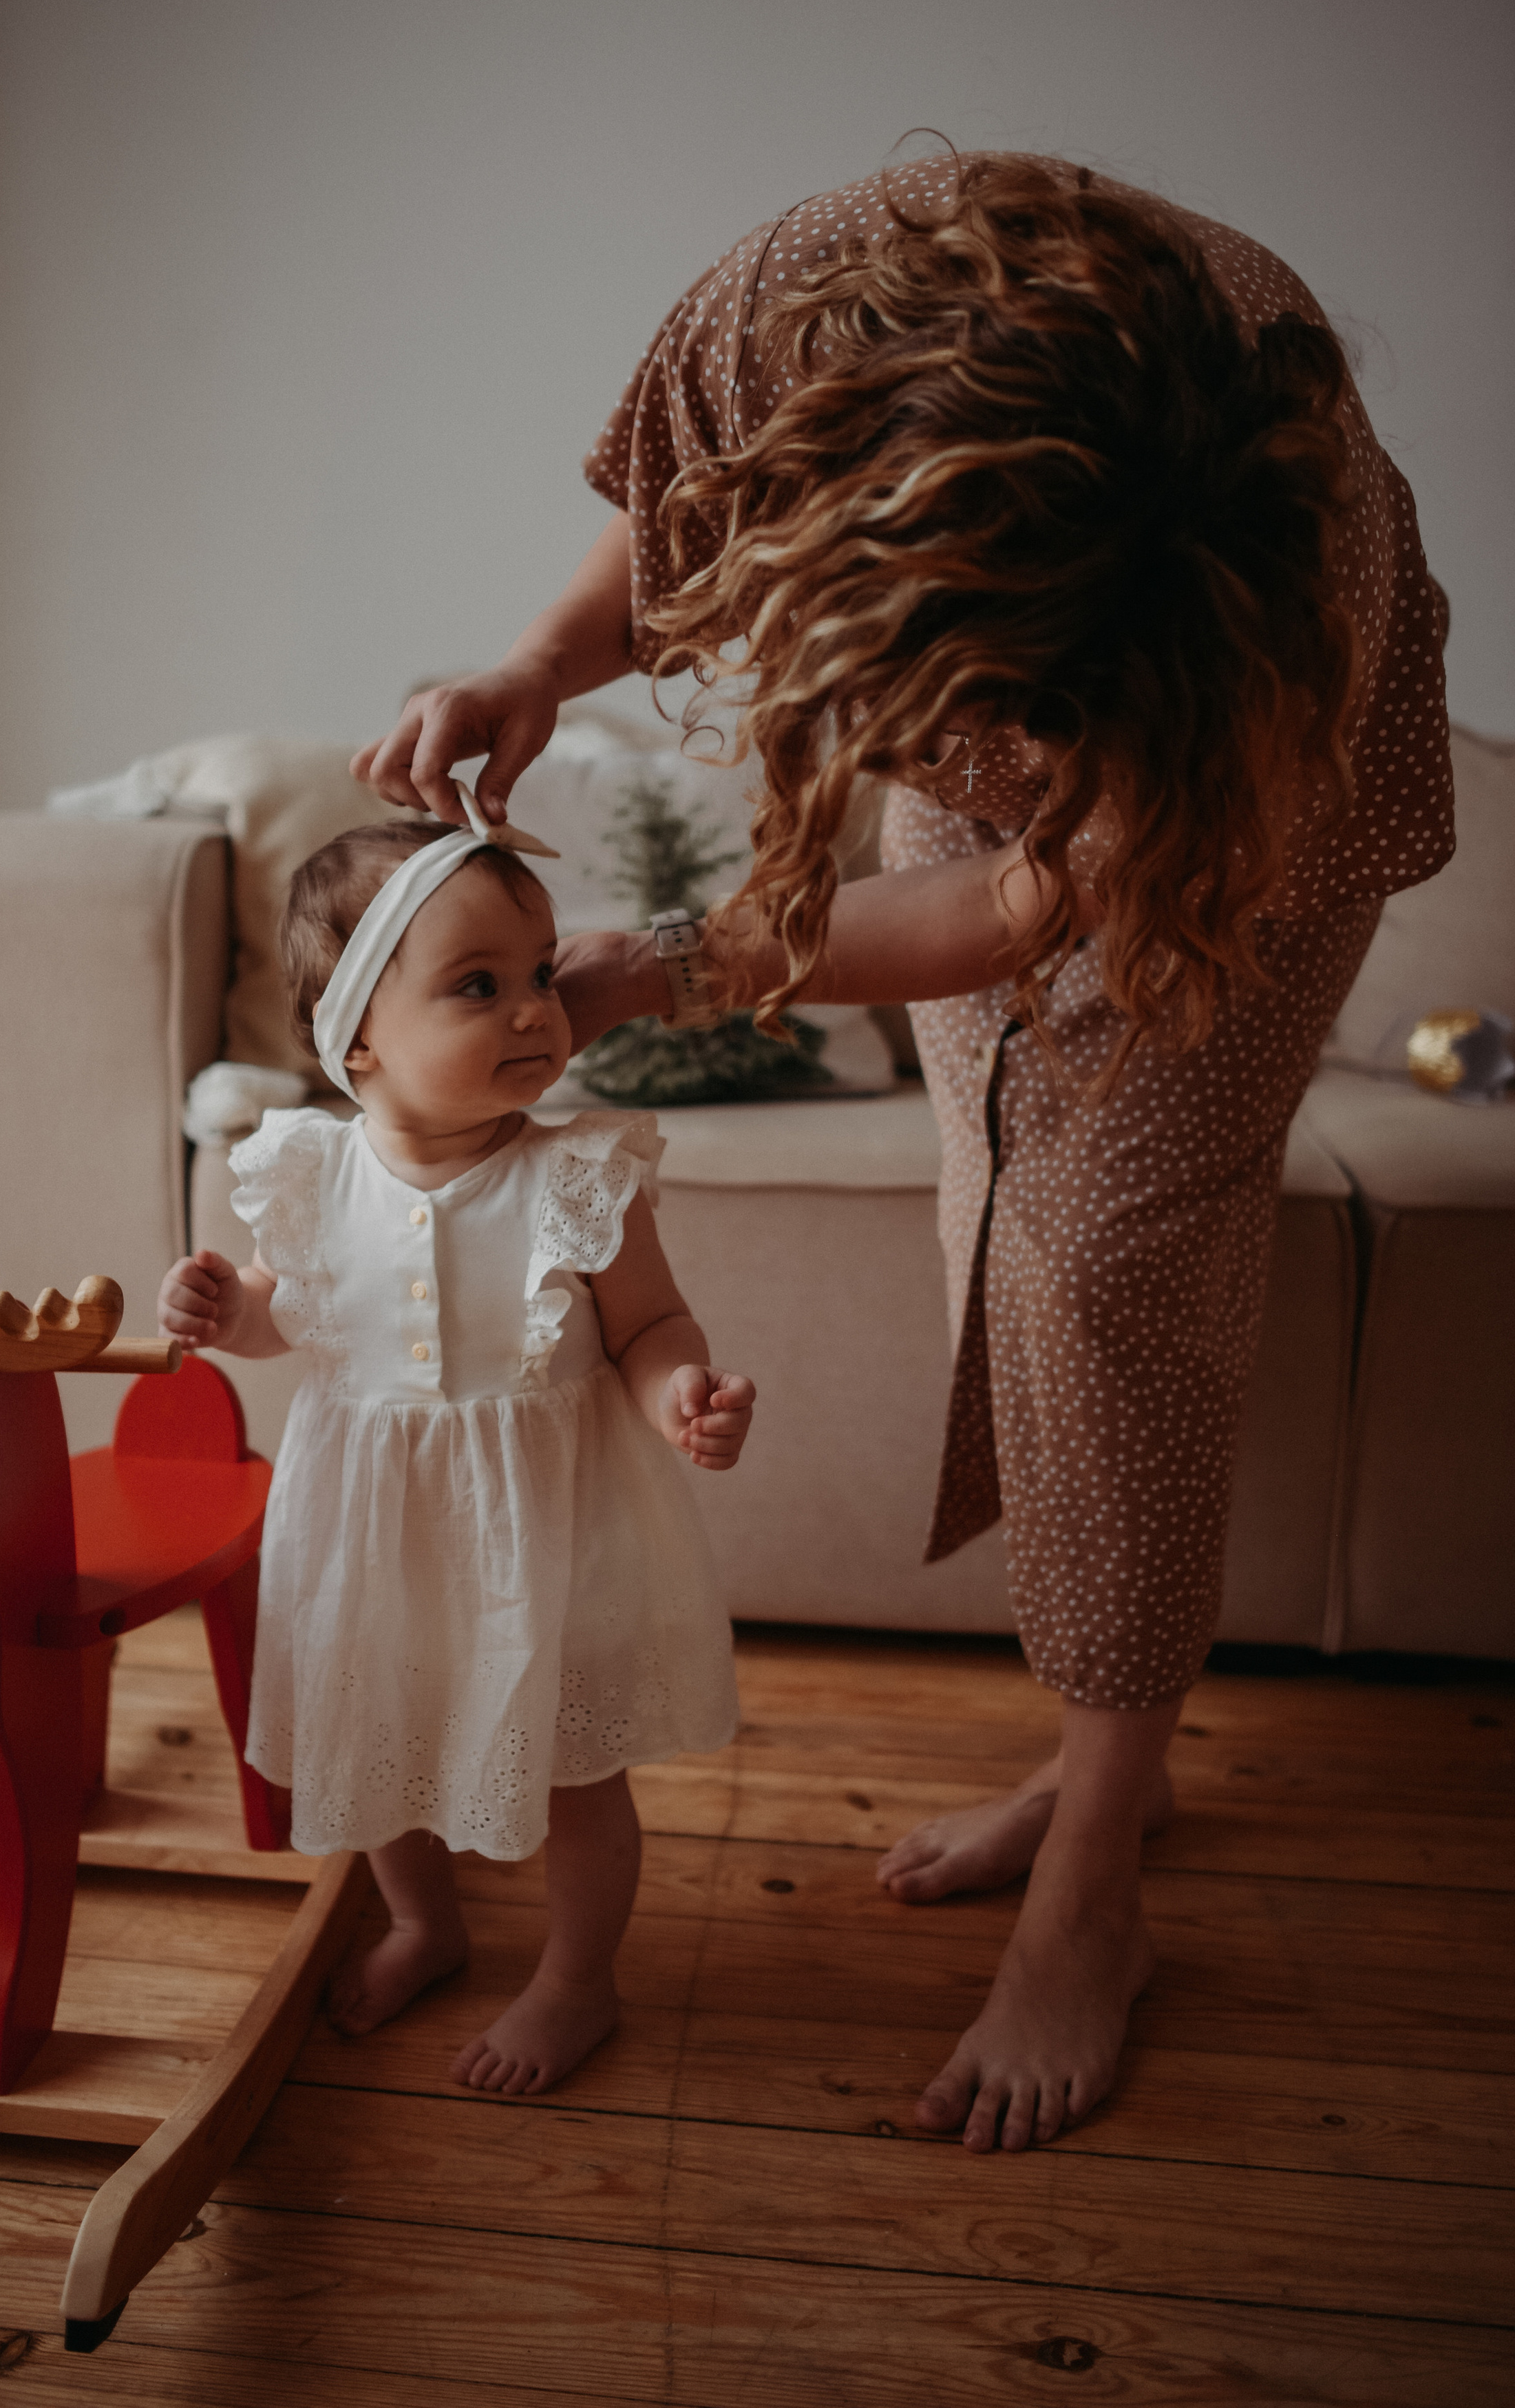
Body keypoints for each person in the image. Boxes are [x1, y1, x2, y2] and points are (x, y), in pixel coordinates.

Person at [351, 151, 1454, 2152]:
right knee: (1006, 1198)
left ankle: (1097, 1875)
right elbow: (675, 525)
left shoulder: (1277, 582)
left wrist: (672, 966)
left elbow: (1013, 914)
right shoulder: (794, 296)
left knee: (1110, 1262)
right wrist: (536, 659)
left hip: (1221, 818)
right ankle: (1118, 1765)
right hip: (1042, 700)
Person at [157, 816, 752, 2095]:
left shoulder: (578, 1173)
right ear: (357, 1036)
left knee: (580, 1769)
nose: (537, 1009)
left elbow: (649, 1324)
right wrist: (225, 1315)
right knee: (382, 1731)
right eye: (478, 985)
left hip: (554, 1527)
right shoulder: (311, 1175)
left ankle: (577, 1979)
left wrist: (679, 1393)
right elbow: (285, 1314)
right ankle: (425, 1921)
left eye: (541, 970)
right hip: (375, 1528)